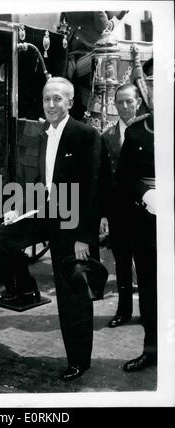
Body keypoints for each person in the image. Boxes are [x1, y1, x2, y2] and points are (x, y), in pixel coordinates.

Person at [0, 77, 102, 381]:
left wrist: (83, 237)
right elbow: (41, 184)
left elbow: (93, 190)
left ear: (70, 101)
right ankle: (22, 286)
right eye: (46, 99)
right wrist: (18, 210)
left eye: (57, 99)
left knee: (72, 293)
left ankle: (79, 360)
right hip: (45, 212)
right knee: (1, 235)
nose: (51, 105)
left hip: (71, 219)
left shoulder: (86, 135)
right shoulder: (42, 134)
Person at [116, 58, 157, 371]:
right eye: (152, 86)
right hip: (146, 223)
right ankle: (152, 350)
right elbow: (125, 177)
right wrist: (145, 193)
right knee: (150, 288)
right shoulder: (136, 133)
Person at [100, 83, 144, 328]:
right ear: (114, 105)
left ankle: (149, 312)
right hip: (119, 212)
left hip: (146, 212)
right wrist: (104, 214)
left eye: (129, 102)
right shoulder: (107, 137)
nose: (125, 107)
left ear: (138, 102)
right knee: (123, 264)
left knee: (147, 265)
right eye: (120, 102)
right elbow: (104, 179)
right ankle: (123, 311)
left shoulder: (151, 133)